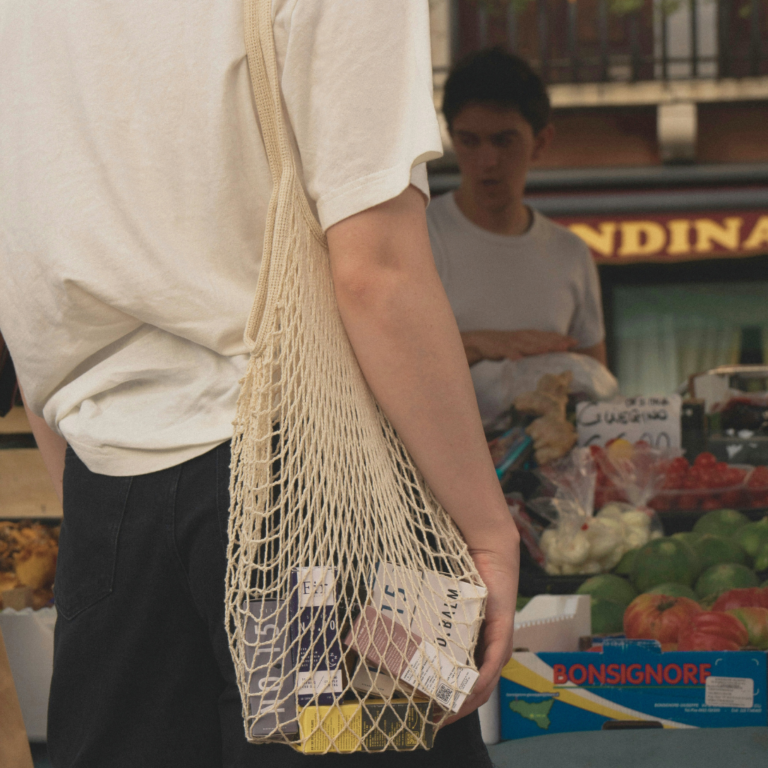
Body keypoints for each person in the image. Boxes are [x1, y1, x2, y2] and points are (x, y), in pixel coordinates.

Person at [0, 2, 518, 767]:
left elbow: (31, 291)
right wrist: (488, 531)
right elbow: (376, 274)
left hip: (107, 502)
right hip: (313, 488)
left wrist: (98, 499)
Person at [428, 49, 607, 372]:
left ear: (540, 142)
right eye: (469, 141)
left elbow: (596, 386)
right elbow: (384, 363)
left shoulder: (571, 253)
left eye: (503, 141)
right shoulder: (417, 238)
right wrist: (477, 344)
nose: (487, 161)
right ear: (452, 138)